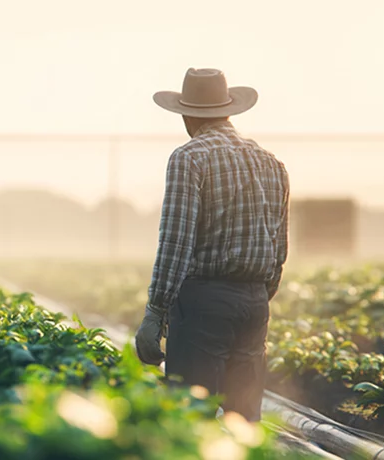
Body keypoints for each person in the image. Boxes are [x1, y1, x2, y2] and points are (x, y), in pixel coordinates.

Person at [134, 68, 290, 422]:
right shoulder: (272, 163)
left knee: (190, 420)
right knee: (244, 424)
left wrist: (155, 312)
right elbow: (279, 251)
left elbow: (176, 241)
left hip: (203, 302)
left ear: (187, 116)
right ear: (229, 110)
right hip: (254, 303)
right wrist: (253, 298)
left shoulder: (189, 158)